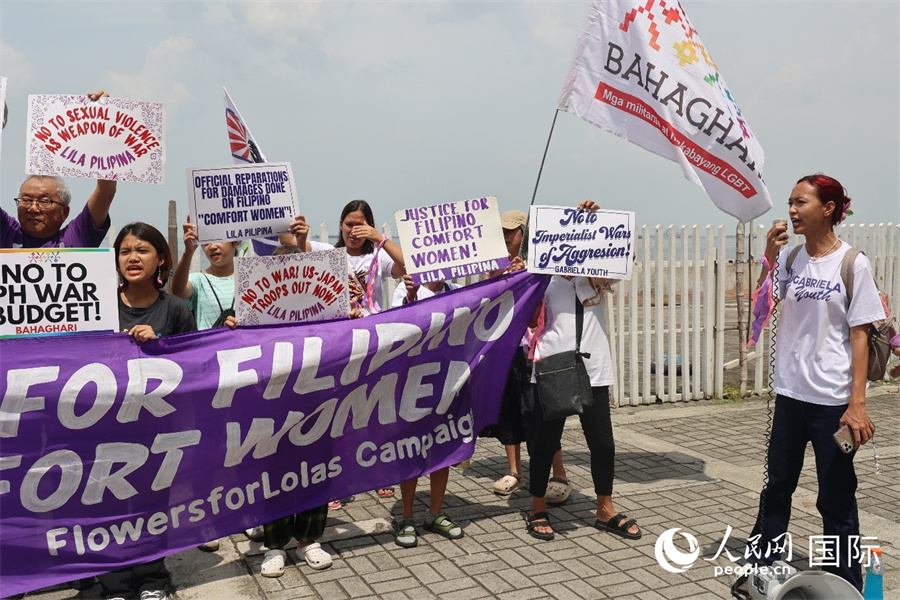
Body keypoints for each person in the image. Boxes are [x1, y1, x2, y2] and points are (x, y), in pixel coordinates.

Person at [745, 174, 884, 591]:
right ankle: (760, 569)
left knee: (836, 497)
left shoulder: (852, 263)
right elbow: (762, 306)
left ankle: (845, 583)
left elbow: (859, 335)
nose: (791, 210)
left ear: (828, 208)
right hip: (790, 395)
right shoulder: (791, 259)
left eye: (801, 202)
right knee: (778, 486)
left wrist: (856, 404)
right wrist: (769, 258)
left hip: (833, 402)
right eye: (790, 202)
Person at [523, 200, 641, 542]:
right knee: (545, 443)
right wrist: (536, 281)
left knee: (603, 444)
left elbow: (625, 255)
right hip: (552, 367)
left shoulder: (595, 274)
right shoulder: (541, 278)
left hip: (594, 367)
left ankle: (605, 508)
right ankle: (536, 506)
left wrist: (598, 222)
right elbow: (528, 322)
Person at [98, 222, 197, 600]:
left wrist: (160, 348)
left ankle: (152, 578)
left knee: (152, 503)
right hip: (102, 424)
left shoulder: (175, 308)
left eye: (142, 250)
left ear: (161, 260)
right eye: (125, 251)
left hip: (157, 428)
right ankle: (115, 583)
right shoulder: (99, 306)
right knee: (106, 504)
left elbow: (194, 366)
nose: (133, 258)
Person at [482, 210, 573, 504]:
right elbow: (486, 298)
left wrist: (526, 272)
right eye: (502, 232)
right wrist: (500, 275)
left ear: (525, 234)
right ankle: (514, 471)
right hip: (505, 349)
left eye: (512, 231)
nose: (506, 237)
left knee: (543, 414)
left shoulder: (540, 262)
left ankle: (558, 474)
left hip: (535, 349)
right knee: (509, 410)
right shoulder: (494, 266)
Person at [256, 242, 335, 577]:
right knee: (273, 473)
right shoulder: (255, 308)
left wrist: (355, 322)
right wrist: (231, 326)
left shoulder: (326, 307)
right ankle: (275, 545)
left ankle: (308, 540)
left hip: (316, 402)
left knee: (316, 468)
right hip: (272, 406)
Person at [169, 217, 241, 552]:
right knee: (209, 450)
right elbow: (177, 291)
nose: (213, 246)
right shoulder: (198, 279)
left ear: (236, 242)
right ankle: (206, 520)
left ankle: (245, 514)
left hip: (247, 376)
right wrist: (187, 252)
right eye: (207, 241)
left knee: (246, 446)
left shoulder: (252, 277)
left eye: (220, 239)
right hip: (208, 378)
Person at [333, 200, 405, 499]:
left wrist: (380, 238)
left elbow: (407, 266)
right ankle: (337, 479)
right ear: (340, 225)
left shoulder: (378, 255)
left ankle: (380, 472)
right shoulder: (329, 254)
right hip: (341, 345)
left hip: (375, 344)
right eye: (349, 224)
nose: (354, 231)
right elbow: (295, 250)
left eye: (360, 225)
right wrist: (299, 235)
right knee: (338, 413)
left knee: (377, 408)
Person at [391, 274, 465, 548]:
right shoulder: (406, 288)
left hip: (447, 380)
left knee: (442, 445)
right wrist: (410, 298)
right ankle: (406, 516)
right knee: (410, 448)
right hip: (412, 383)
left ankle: (435, 513)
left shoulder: (458, 291)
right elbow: (396, 330)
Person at [1, 90, 117, 249]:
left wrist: (103, 122)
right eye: (26, 200)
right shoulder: (5, 230)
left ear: (65, 212)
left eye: (44, 201)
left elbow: (105, 193)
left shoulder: (77, 236)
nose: (33, 208)